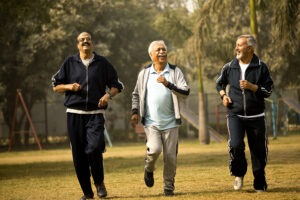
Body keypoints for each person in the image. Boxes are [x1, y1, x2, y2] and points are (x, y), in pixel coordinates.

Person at [52, 32, 123, 200]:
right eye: (82, 40)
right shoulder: (70, 62)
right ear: (78, 45)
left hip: (95, 114)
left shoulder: (102, 63)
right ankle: (87, 192)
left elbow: (117, 85)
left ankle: (99, 183)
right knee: (78, 155)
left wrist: (108, 96)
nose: (85, 41)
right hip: (74, 115)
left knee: (94, 148)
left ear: (92, 43)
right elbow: (56, 85)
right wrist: (70, 87)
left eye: (88, 39)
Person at [131, 40, 190, 196]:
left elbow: (185, 92)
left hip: (171, 122)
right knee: (155, 149)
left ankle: (168, 187)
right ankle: (149, 169)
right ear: (151, 55)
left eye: (164, 49)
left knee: (170, 157)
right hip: (151, 123)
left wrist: (169, 84)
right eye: (158, 50)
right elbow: (136, 94)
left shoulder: (175, 72)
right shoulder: (144, 74)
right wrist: (135, 112)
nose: (162, 52)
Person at [216, 34, 274, 192]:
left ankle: (259, 182)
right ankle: (239, 173)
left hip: (256, 116)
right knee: (235, 145)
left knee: (259, 150)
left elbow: (268, 90)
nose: (236, 48)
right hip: (235, 115)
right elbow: (219, 83)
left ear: (250, 48)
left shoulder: (261, 67)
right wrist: (224, 96)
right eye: (236, 45)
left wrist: (252, 87)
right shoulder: (229, 67)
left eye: (240, 45)